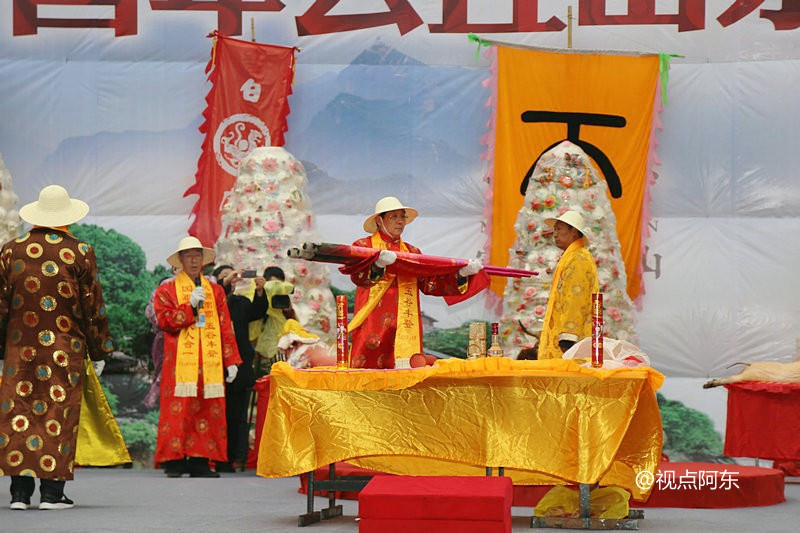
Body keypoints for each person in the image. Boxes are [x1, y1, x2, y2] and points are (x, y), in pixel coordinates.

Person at [0, 185, 114, 510]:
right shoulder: (80, 251)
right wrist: (101, 349)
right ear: (67, 216)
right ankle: (52, 494)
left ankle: (19, 495)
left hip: (19, 350)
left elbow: (0, 306)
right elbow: (93, 306)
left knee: (18, 415)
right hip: (64, 349)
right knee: (58, 414)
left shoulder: (11, 250)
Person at [349, 197, 482, 369]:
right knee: (367, 373)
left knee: (406, 374)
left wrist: (461, 274)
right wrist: (377, 265)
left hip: (405, 325)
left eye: (402, 217)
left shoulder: (412, 252)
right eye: (393, 216)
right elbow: (358, 276)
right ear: (379, 220)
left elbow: (429, 284)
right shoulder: (363, 246)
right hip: (373, 323)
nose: (400, 221)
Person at [153, 237, 241, 478]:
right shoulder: (166, 290)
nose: (193, 260)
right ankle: (174, 460)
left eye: (197, 255)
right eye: (188, 255)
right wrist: (189, 308)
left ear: (203, 260)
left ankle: (200, 460)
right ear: (180, 259)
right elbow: (165, 322)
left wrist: (231, 360)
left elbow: (225, 327)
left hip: (209, 362)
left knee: (207, 408)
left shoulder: (215, 291)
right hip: (179, 363)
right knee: (178, 410)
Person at [210, 265, 268, 472]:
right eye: (224, 277)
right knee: (217, 413)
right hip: (214, 363)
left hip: (240, 362)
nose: (231, 280)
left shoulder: (241, 302)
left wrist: (260, 291)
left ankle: (233, 457)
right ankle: (214, 457)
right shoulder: (209, 303)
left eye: (233, 277)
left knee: (237, 414)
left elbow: (258, 311)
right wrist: (223, 285)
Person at [538, 210, 599, 360]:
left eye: (559, 229)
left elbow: (576, 300)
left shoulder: (578, 258)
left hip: (571, 342)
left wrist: (568, 338)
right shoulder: (571, 256)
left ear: (573, 232)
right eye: (554, 230)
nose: (555, 234)